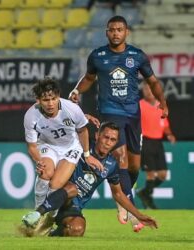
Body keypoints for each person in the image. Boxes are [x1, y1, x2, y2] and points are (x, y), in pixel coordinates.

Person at [68, 15, 168, 228]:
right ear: (107, 32)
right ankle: (131, 210)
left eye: (119, 30)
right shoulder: (98, 56)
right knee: (120, 156)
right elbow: (88, 78)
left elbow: (153, 81)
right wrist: (77, 90)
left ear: (126, 32)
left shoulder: (137, 56)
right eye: (112, 30)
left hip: (133, 115)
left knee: (134, 166)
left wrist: (163, 103)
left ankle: (122, 196)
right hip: (109, 113)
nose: (115, 33)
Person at [22, 121, 158, 237]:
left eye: (113, 140)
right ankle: (38, 214)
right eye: (106, 137)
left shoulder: (111, 165)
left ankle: (50, 234)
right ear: (97, 135)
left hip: (74, 206)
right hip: (59, 193)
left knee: (77, 230)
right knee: (72, 189)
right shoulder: (80, 147)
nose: (108, 143)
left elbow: (118, 194)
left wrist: (138, 215)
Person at [24, 77, 103, 219]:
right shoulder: (31, 115)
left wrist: (86, 154)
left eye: (53, 99)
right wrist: (38, 161)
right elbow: (31, 146)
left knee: (55, 185)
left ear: (58, 96)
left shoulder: (71, 109)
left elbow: (83, 131)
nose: (50, 104)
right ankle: (37, 214)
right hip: (48, 145)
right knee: (45, 174)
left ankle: (49, 219)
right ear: (38, 100)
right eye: (45, 100)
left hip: (71, 148)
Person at [137, 83, 176, 209]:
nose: (147, 91)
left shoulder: (161, 105)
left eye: (149, 89)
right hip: (146, 141)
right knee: (151, 174)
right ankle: (147, 198)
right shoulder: (140, 105)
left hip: (158, 142)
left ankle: (144, 193)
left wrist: (169, 134)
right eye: (145, 89)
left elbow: (164, 123)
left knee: (163, 175)